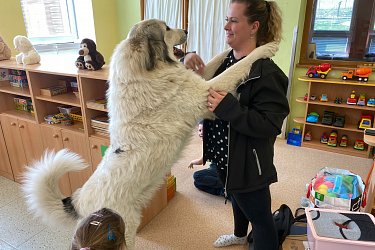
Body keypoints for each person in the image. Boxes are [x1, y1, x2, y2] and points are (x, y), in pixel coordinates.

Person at [183, 1, 289, 249]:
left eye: (233, 20)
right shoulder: (224, 63)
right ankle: (240, 235)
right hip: (223, 154)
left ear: (254, 27)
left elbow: (270, 124)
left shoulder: (267, 73)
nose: (225, 26)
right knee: (235, 196)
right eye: (226, 19)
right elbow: (205, 98)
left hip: (249, 162)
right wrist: (186, 59)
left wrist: (229, 108)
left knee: (262, 220)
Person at [189, 120, 225, 196]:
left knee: (197, 176)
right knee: (197, 184)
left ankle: (226, 186)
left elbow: (201, 161)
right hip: (215, 167)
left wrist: (192, 162)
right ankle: (222, 192)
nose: (201, 133)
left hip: (220, 168)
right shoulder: (210, 140)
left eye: (203, 130)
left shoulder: (212, 141)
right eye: (199, 130)